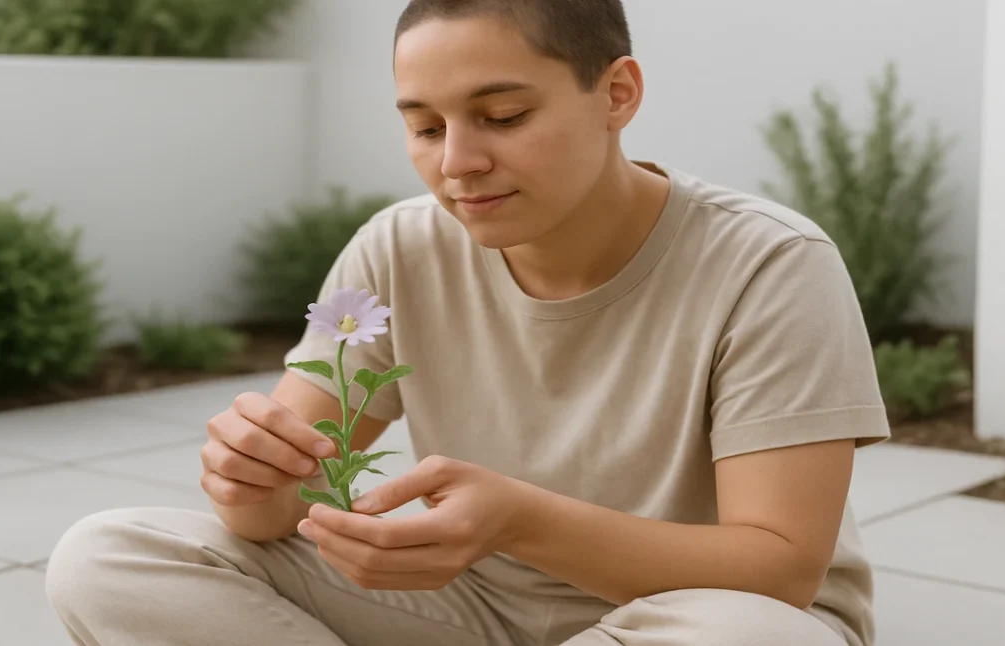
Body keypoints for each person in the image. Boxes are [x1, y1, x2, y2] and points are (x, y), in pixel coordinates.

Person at [44, 1, 890, 644]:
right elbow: (282, 512)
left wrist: (520, 520)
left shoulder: (772, 263)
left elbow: (780, 571)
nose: (456, 163)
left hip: (680, 615)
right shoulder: (395, 248)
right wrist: (251, 483)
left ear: (617, 94)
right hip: (470, 606)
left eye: (503, 116)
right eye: (423, 126)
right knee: (110, 556)